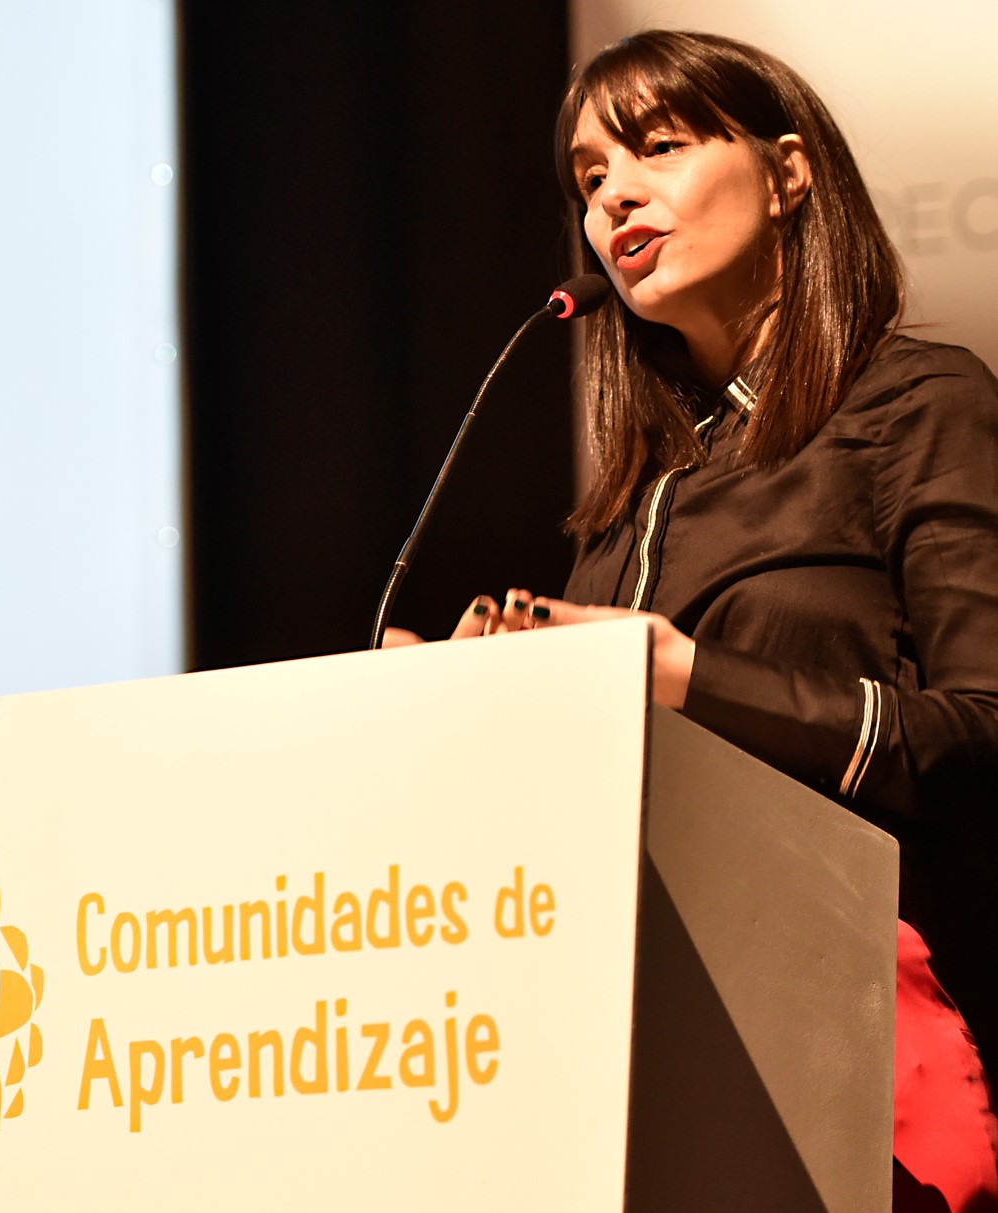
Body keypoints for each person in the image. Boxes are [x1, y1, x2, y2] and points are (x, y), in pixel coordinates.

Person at [390, 29, 998, 1211]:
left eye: (656, 148)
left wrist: (679, 674)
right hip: (647, 1050)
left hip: (864, 1039)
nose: (613, 194)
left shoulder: (920, 406)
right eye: (588, 178)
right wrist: (472, 703)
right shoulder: (631, 505)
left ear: (786, 174)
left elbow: (980, 734)